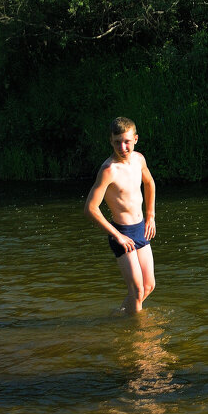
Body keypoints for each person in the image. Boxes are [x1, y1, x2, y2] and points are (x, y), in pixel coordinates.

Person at [84, 117, 157, 314]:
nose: (122, 147)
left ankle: (119, 316)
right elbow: (90, 208)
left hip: (141, 228)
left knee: (148, 286)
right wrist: (117, 235)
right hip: (122, 232)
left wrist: (151, 215)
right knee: (137, 290)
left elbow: (149, 183)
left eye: (126, 141)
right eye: (117, 142)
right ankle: (138, 335)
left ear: (135, 139)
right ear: (111, 141)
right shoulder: (109, 170)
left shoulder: (139, 159)